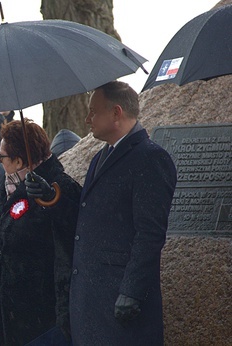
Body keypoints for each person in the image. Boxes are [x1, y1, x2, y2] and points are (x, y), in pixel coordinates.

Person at [69, 81, 177, 345]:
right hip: (92, 302)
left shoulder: (150, 159)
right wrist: (52, 196)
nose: (86, 119)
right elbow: (92, 214)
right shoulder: (100, 157)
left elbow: (150, 233)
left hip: (121, 305)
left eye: (93, 111)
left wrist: (132, 291)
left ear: (116, 113)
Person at [0, 118, 81, 345]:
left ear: (18, 161)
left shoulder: (59, 185)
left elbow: (74, 228)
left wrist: (52, 200)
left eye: (2, 157)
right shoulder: (9, 185)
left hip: (41, 320)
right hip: (7, 317)